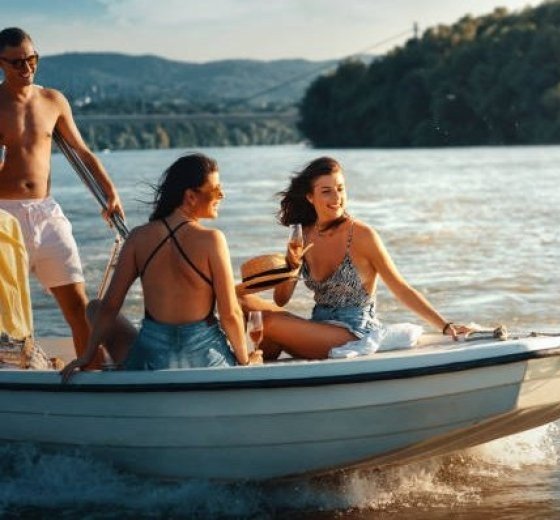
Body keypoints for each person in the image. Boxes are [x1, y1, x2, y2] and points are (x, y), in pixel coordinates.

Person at [240, 156, 474, 360]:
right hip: (319, 327)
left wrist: (444, 325)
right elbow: (281, 300)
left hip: (353, 333)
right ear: (310, 197)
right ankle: (256, 360)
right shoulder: (304, 234)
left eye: (340, 188)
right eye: (326, 191)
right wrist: (291, 266)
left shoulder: (362, 235)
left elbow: (400, 288)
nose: (337, 197)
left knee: (268, 323)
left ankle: (261, 355)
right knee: (241, 301)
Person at [60, 154, 248, 381]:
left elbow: (110, 307)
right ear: (190, 196)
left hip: (151, 361)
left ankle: (115, 368)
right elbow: (230, 314)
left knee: (94, 307)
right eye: (216, 190)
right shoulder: (212, 240)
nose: (222, 195)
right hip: (204, 360)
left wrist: (87, 355)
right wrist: (244, 363)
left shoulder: (138, 238)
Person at [0, 27, 124, 366]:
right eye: (16, 63)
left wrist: (110, 193)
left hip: (46, 213)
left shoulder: (53, 100)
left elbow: (82, 152)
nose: (26, 68)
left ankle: (93, 375)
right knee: (5, 312)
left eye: (31, 59)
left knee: (78, 305)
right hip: (4, 218)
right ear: (1, 63)